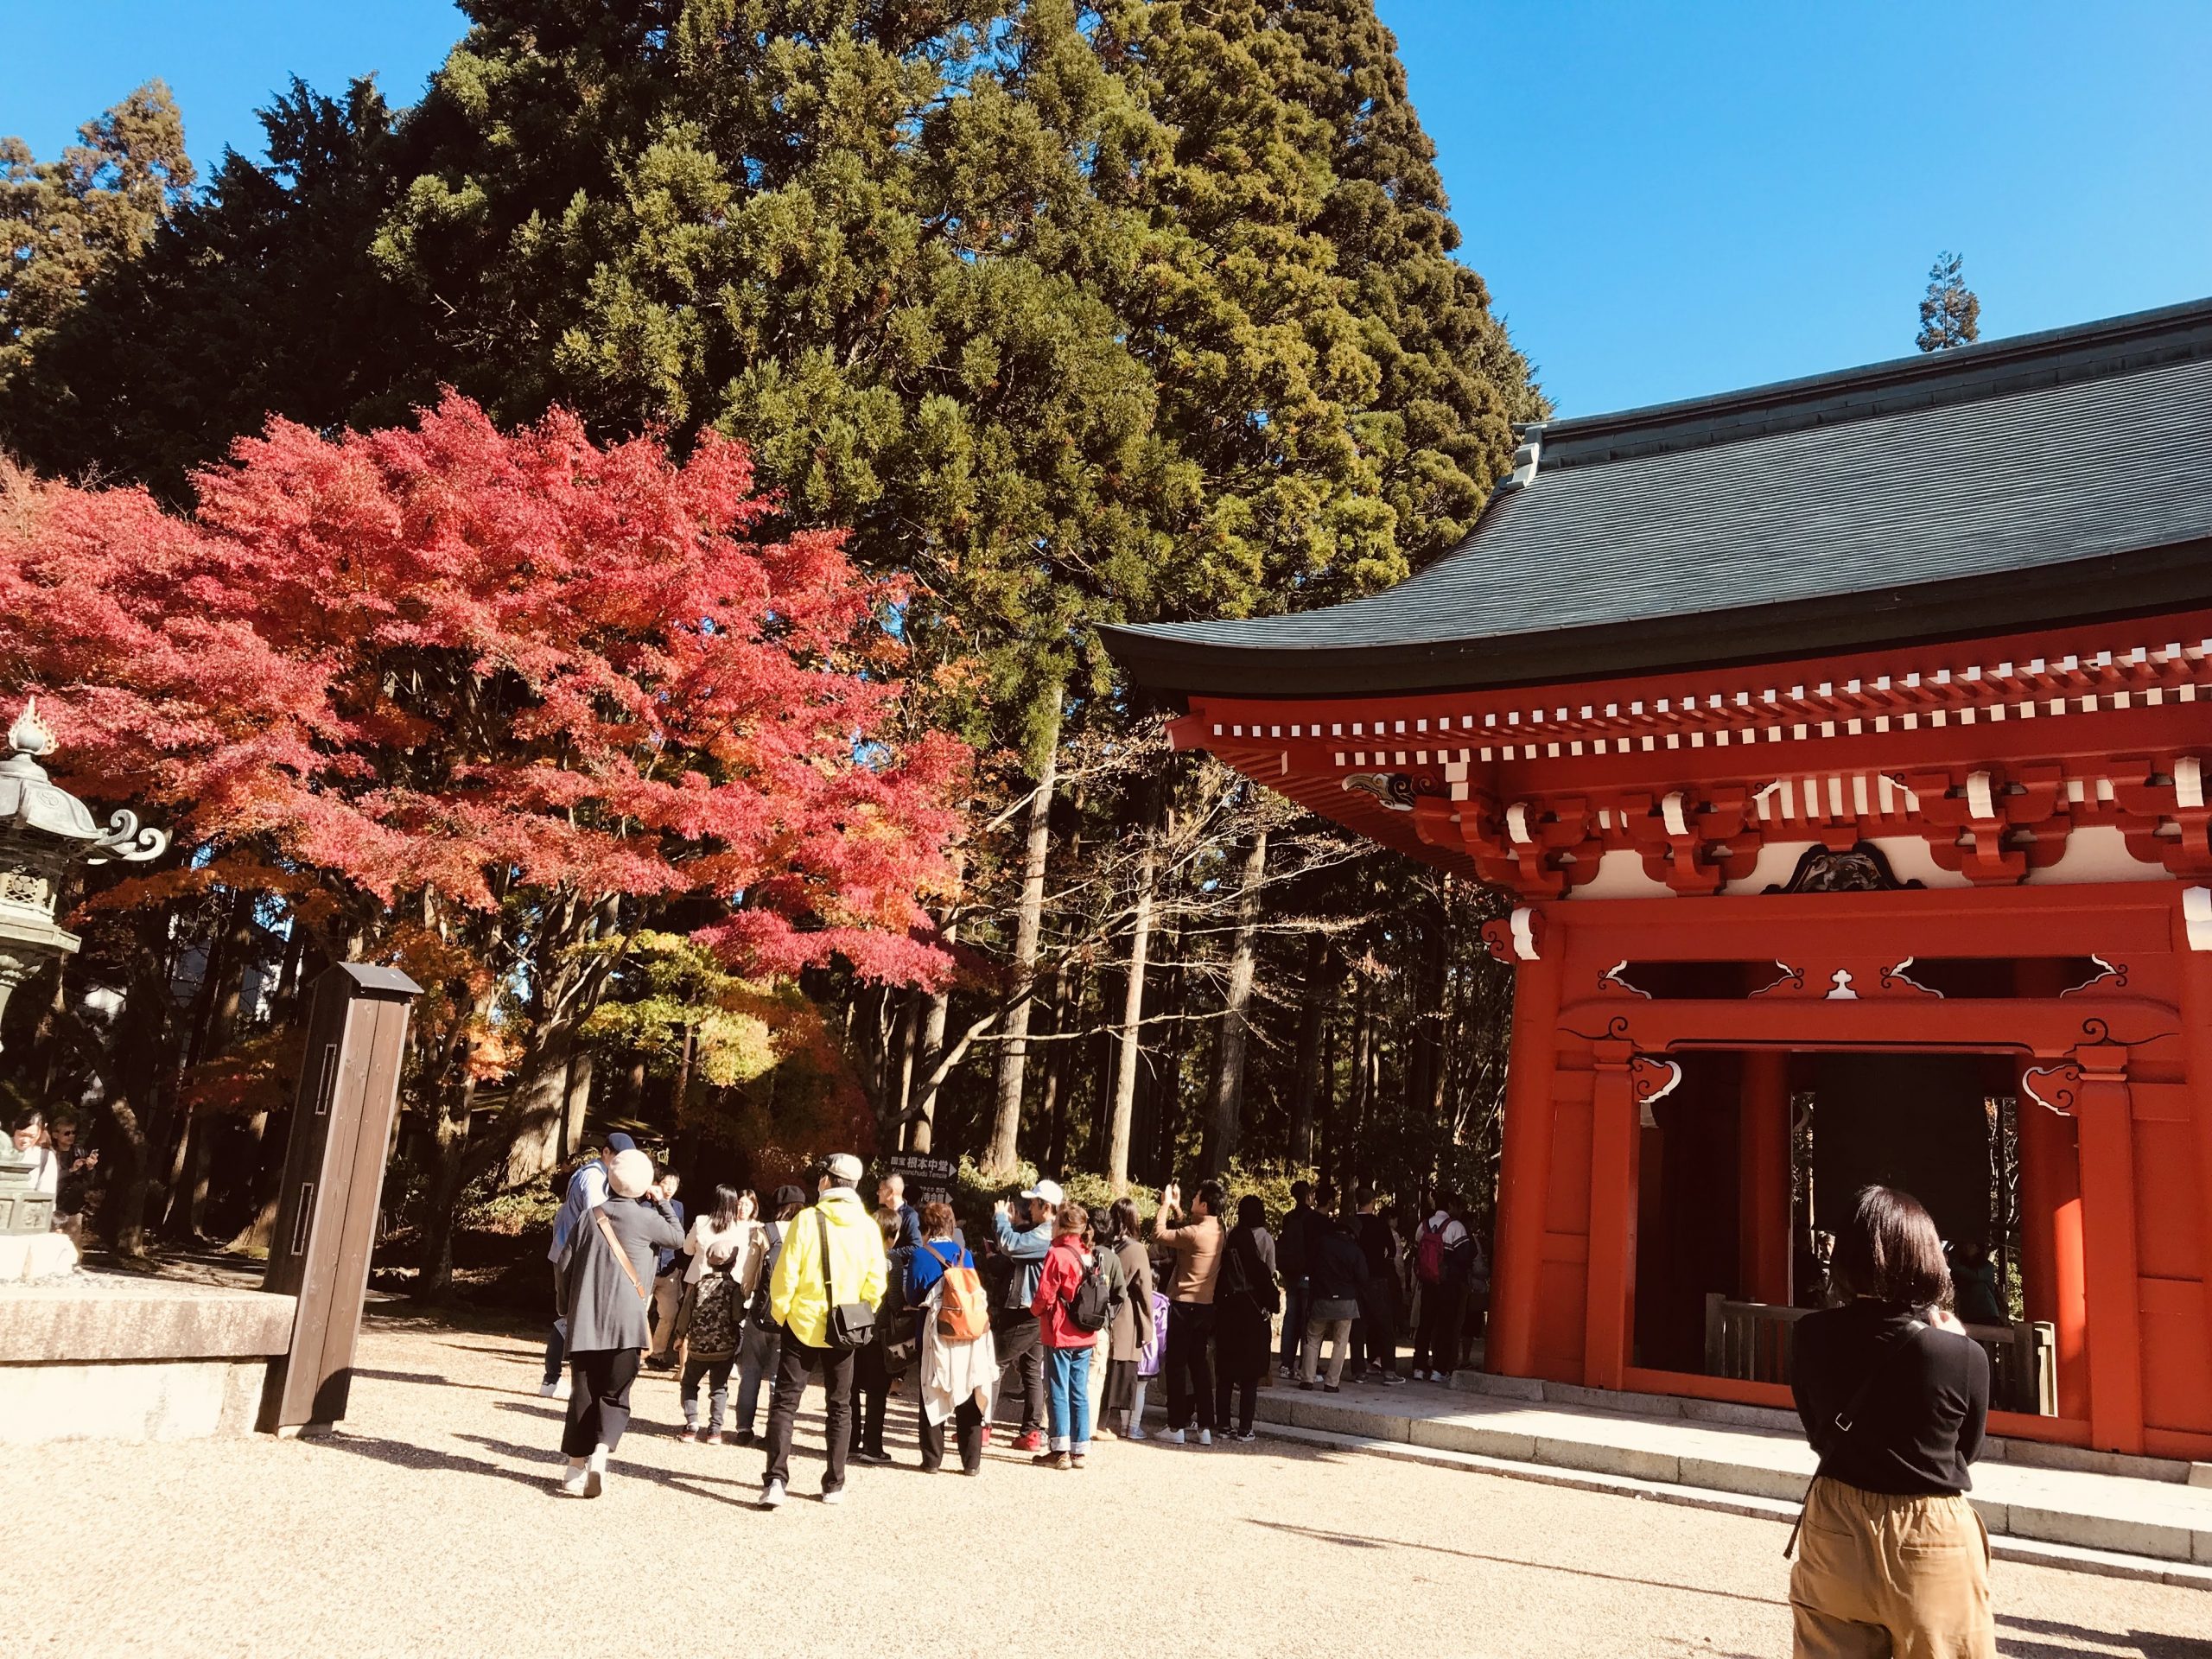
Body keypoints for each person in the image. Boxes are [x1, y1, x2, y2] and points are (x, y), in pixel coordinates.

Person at [1789, 1185, 1993, 1659]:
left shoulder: (1809, 1335)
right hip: (1928, 1530)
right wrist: (1957, 1345)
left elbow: (1817, 1428)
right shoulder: (1958, 1354)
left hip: (1834, 1521)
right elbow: (1966, 1450)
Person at [552, 1147, 684, 1497]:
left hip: (586, 1323)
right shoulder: (647, 1219)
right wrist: (661, 1201)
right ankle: (600, 1452)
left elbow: (564, 1264)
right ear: (645, 1186)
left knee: (584, 1394)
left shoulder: (590, 1217)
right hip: (628, 1324)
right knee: (615, 1394)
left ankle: (573, 1469)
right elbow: (678, 1238)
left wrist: (566, 1307)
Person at [759, 1154, 888, 1509]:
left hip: (802, 1322)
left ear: (828, 1181)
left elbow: (785, 1274)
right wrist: (862, 1313)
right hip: (847, 1326)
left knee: (785, 1403)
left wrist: (782, 1313)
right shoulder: (867, 1227)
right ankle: (834, 1483)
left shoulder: (806, 1220)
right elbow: (877, 1281)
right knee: (840, 1405)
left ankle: (776, 1480)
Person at [541, 1131, 635, 1398]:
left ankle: (553, 1380)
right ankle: (554, 1380)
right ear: (605, 1153)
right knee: (572, 1318)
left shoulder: (597, 1175)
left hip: (574, 1252)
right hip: (575, 1256)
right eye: (618, 1156)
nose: (621, 1163)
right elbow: (600, 1216)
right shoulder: (593, 1177)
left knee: (571, 1317)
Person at [907, 1201, 995, 1474]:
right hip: (967, 1332)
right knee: (968, 1390)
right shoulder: (964, 1255)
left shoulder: (920, 1255)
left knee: (932, 1389)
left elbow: (913, 1296)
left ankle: (932, 1460)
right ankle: (971, 1463)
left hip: (935, 1333)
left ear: (926, 1228)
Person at [673, 1185, 761, 1441]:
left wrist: (680, 1335)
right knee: (719, 1386)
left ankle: (691, 1423)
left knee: (690, 1379)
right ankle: (715, 1429)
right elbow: (737, 1315)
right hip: (725, 1333)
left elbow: (687, 1250)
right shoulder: (741, 1230)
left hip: (698, 1314)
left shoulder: (702, 1222)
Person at [1030, 1198, 1104, 1468]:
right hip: (1086, 1331)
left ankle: (1059, 1448)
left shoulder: (1057, 1254)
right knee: (1079, 1390)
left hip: (1060, 1330)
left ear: (1062, 1227)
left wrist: (1034, 1310)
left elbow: (1045, 1295)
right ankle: (1080, 1449)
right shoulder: (1090, 1253)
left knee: (1058, 1389)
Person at [732, 1185, 806, 1445]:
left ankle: (743, 1429)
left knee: (750, 1372)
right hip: (791, 1318)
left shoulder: (764, 1232)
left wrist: (746, 1296)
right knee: (779, 1378)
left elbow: (749, 1276)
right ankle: (774, 1433)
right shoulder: (807, 1234)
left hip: (761, 1314)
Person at [1154, 1179, 1225, 1445]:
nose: (1192, 1200)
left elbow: (1160, 1235)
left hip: (1183, 1304)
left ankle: (1175, 1426)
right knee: (1199, 1364)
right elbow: (1189, 1230)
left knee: (1176, 1364)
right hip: (1206, 1306)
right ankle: (1205, 1426)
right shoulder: (1219, 1228)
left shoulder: (1194, 1233)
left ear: (1204, 1204)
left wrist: (1164, 1206)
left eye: (1195, 1198)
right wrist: (1177, 1208)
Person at [991, 1179, 1058, 1451]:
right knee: (1032, 1371)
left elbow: (1009, 1245)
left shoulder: (1045, 1233)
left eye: (1033, 1202)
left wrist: (1000, 1219)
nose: (1030, 1207)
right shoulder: (1044, 1231)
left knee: (994, 1364)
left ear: (1047, 1207)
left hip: (1025, 1309)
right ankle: (1031, 1432)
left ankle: (980, 1426)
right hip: (1037, 1309)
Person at [1213, 1192, 1279, 1440]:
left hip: (1229, 1313)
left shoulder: (1231, 1239)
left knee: (1226, 1374)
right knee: (1250, 1376)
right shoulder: (1264, 1249)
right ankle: (1245, 1428)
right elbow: (1270, 1279)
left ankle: (1223, 1425)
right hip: (1253, 1315)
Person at [847, 1203, 906, 1465]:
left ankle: (849, 1443)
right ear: (891, 1236)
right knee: (877, 1391)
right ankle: (872, 1446)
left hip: (852, 1328)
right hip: (878, 1333)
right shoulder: (891, 1260)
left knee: (850, 1388)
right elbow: (894, 1300)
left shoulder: (855, 1255)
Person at [1102, 1198, 1155, 1439]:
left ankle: (1098, 1422)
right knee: (1127, 1376)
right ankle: (1129, 1426)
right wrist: (1148, 1327)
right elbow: (1144, 1290)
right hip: (1126, 1317)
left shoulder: (1102, 1246)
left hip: (1101, 1316)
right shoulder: (1136, 1249)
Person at [1301, 1209, 1368, 1392]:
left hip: (1321, 1298)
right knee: (1340, 1343)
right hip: (1346, 1302)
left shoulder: (1321, 1244)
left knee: (1313, 1338)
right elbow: (1363, 1277)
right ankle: (1332, 1383)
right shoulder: (1355, 1250)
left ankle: (1307, 1378)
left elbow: (1310, 1267)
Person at [1408, 1187, 1471, 1382]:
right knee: (1445, 1326)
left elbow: (1418, 1248)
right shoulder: (1455, 1227)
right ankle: (1438, 1370)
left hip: (1427, 1283)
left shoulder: (1424, 1225)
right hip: (1448, 1284)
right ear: (1450, 1206)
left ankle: (1418, 1367)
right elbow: (1466, 1255)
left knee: (1425, 1325)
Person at [1354, 1192, 1405, 1385]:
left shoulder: (1351, 1223)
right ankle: (1389, 1371)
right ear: (1373, 1203)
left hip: (1355, 1279)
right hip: (1376, 1276)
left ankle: (1359, 1370)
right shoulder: (1380, 1225)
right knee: (1385, 1325)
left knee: (1358, 1326)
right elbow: (1392, 1251)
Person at [1083, 1208, 1126, 1438]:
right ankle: (1086, 1432)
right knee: (1094, 1381)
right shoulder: (1111, 1258)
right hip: (1099, 1326)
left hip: (1073, 1325)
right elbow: (1121, 1294)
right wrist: (1108, 1313)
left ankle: (1052, 1425)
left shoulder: (1078, 1252)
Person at [644, 1169, 688, 1370]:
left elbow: (679, 1237)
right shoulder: (644, 1203)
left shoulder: (678, 1206)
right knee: (639, 1312)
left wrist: (678, 1268)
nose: (670, 1189)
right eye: (666, 1183)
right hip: (647, 1268)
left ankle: (657, 1353)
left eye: (674, 1185)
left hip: (669, 1268)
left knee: (669, 1313)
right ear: (656, 1183)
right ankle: (637, 1350)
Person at [1274, 1179, 1318, 1378]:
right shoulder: (1313, 1218)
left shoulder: (1288, 1217)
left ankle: (1286, 1363)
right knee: (1306, 1320)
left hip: (1290, 1273)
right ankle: (1305, 1365)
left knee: (1290, 1316)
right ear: (1308, 1195)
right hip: (1308, 1271)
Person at [1949, 1239, 2005, 1327]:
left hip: (1986, 1313)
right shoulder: (1961, 1267)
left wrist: (1953, 1264)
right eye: (1966, 1244)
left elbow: (1975, 1276)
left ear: (1979, 1249)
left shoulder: (1987, 1266)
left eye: (1972, 1244)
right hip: (1968, 1313)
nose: (1967, 1247)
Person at [877, 1173, 923, 1251]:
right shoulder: (881, 1213)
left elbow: (916, 1246)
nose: (878, 1192)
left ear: (891, 1192)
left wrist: (889, 1255)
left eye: (881, 1189)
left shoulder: (910, 1216)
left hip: (898, 1263)